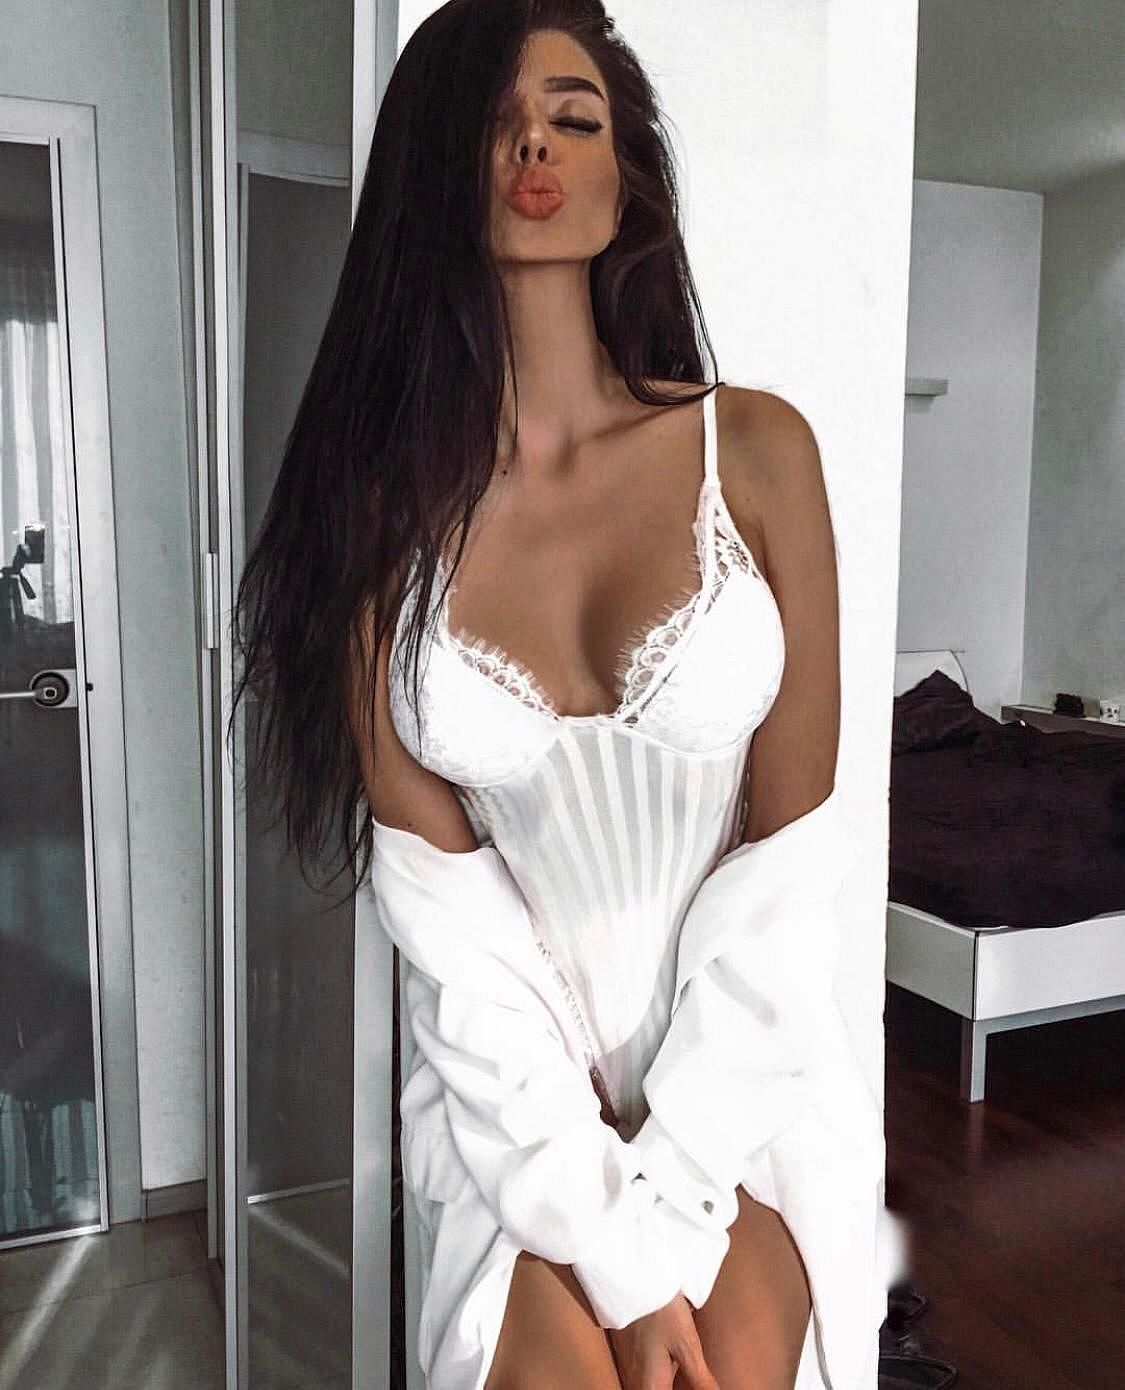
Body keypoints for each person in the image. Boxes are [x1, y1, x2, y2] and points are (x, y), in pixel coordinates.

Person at [232, 3, 897, 1388]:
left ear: (623, 173)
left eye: (573, 118)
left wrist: (673, 1190)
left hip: (747, 1082)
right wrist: (611, 1244)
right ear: (434, 173)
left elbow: (783, 877)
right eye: (493, 122)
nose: (534, 144)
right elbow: (450, 929)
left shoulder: (756, 453)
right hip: (516, 1109)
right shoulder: (383, 523)